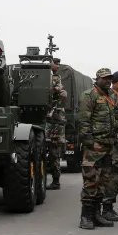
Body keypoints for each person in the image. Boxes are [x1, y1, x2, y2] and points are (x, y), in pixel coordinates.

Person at [77, 68, 118, 230]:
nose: (108, 81)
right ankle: (85, 217)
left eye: (109, 78)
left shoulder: (111, 96)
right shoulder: (89, 95)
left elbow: (115, 117)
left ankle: (96, 215)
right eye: (104, 78)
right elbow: (84, 120)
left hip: (108, 145)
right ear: (97, 79)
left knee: (103, 182)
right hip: (94, 146)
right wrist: (88, 141)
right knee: (91, 181)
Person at [101, 70, 118, 222]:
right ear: (114, 83)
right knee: (112, 175)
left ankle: (109, 207)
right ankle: (107, 209)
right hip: (114, 142)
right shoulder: (111, 96)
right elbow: (110, 119)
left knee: (117, 176)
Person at [46, 57, 67, 190]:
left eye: (59, 64)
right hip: (49, 120)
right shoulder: (47, 77)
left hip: (55, 121)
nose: (58, 66)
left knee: (54, 153)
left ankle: (56, 181)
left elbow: (60, 92)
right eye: (56, 63)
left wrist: (58, 91)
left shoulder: (56, 79)